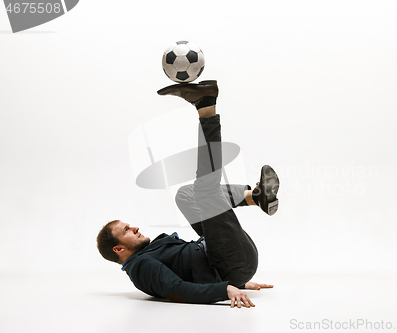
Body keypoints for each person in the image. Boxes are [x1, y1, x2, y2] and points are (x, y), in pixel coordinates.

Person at [96, 80, 280, 308]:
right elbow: (177, 290)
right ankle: (206, 107)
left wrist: (240, 280)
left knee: (184, 195)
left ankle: (255, 196)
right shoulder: (141, 268)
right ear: (119, 249)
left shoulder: (146, 254)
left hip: (226, 257)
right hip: (227, 264)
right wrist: (226, 287)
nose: (134, 228)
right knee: (205, 190)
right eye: (126, 230)